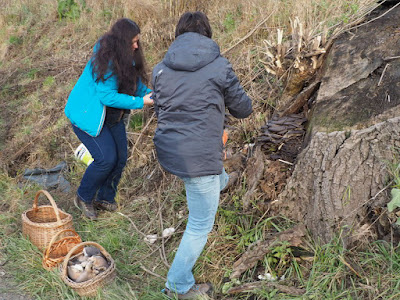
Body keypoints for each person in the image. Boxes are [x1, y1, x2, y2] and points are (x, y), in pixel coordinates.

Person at [151, 11, 252, 299]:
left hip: (170, 151)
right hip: (199, 157)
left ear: (178, 34)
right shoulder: (219, 66)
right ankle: (177, 286)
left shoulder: (160, 68)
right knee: (199, 225)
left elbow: (161, 111)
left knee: (206, 181)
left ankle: (221, 182)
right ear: (206, 35)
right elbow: (243, 108)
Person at [64, 18, 153, 220]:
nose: (137, 45)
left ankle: (105, 198)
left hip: (113, 117)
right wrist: (141, 103)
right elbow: (107, 96)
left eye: (137, 40)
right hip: (88, 116)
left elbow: (135, 85)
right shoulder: (105, 61)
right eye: (133, 42)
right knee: (105, 159)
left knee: (120, 158)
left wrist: (149, 94)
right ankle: (83, 196)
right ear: (122, 42)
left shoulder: (128, 57)